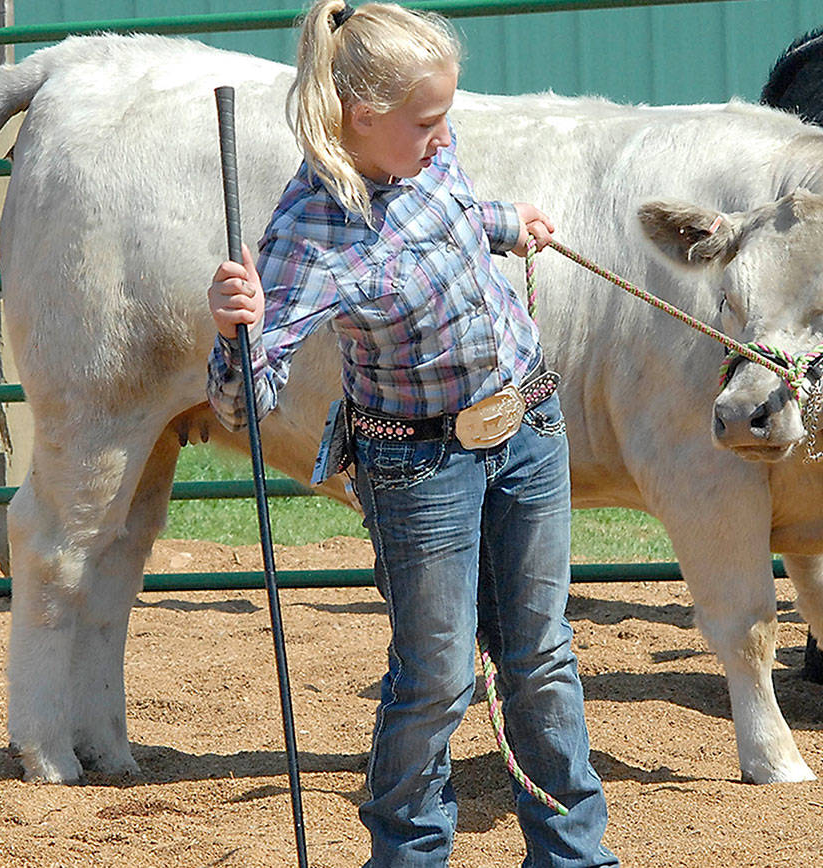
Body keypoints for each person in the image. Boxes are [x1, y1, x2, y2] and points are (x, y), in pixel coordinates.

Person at [207, 2, 617, 865]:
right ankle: (407, 853)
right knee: (438, 681)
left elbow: (452, 210)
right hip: (418, 465)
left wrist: (508, 224)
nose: (442, 137)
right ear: (363, 117)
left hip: (527, 423)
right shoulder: (306, 233)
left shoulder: (434, 152)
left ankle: (574, 853)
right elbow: (245, 401)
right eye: (426, 122)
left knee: (541, 656)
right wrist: (233, 333)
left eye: (445, 118)